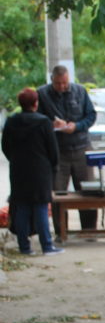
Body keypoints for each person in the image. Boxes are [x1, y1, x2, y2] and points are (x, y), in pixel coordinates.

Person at [37, 64, 98, 237]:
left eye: (65, 83)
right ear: (52, 81)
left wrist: (77, 126)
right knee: (58, 193)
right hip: (57, 151)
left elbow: (91, 115)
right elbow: (37, 118)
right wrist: (50, 125)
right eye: (58, 84)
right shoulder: (42, 94)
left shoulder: (80, 91)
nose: (62, 87)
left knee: (88, 191)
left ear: (68, 79)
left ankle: (89, 231)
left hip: (81, 148)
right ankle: (61, 231)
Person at [2, 88, 63, 255]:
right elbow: (53, 150)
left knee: (21, 207)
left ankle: (24, 247)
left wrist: (15, 160)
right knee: (41, 207)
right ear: (36, 104)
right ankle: (47, 246)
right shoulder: (43, 122)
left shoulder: (11, 121)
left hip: (19, 170)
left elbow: (5, 146)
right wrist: (53, 167)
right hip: (41, 171)